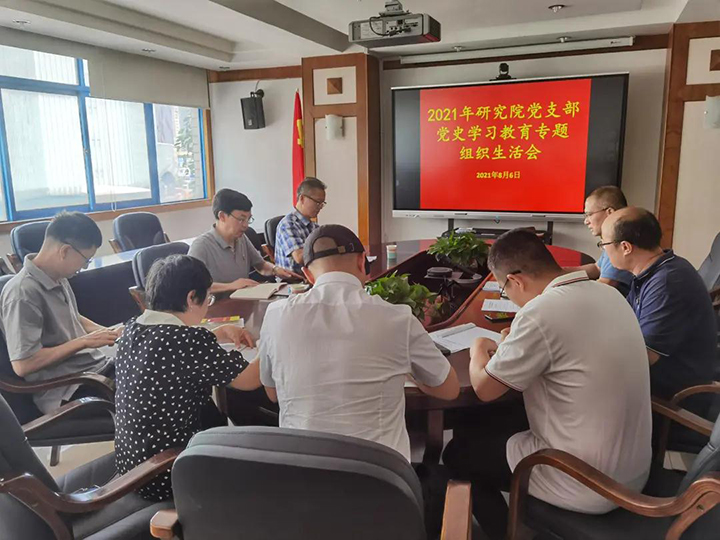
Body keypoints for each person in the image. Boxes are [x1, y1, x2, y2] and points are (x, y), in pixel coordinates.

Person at [442, 229, 652, 540]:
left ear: (516, 281)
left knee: (458, 455)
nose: (510, 297)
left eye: (504, 290)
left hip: (583, 480)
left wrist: (477, 349)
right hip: (633, 469)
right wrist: (514, 341)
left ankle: (505, 534)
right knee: (487, 423)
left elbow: (485, 389)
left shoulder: (541, 313)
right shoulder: (609, 295)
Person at [259, 224, 460, 461]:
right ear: (362, 261)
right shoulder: (397, 318)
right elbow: (449, 389)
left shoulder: (275, 315)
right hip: (380, 476)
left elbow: (272, 392)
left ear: (307, 274)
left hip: (301, 473)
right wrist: (407, 369)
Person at [114, 254, 260, 501]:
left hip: (132, 468)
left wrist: (217, 332)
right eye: (208, 299)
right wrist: (275, 339)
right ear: (192, 298)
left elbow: (170, 346)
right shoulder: (187, 342)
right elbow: (248, 380)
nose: (207, 306)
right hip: (170, 470)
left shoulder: (132, 328)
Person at [0, 212, 119, 414]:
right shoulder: (22, 293)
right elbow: (23, 364)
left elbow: (72, 317)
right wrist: (84, 342)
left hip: (93, 369)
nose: (84, 267)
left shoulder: (57, 277)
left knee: (152, 366)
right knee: (149, 388)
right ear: (65, 251)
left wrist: (109, 333)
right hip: (68, 388)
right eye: (86, 260)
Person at [600, 207, 718, 401]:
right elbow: (623, 323)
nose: (603, 250)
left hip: (674, 399)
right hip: (651, 383)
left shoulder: (667, 282)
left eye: (603, 243)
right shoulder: (654, 271)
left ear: (626, 247)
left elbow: (642, 357)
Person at [188, 189, 298, 293]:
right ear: (222, 216)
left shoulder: (241, 238)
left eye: (248, 219)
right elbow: (192, 286)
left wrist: (276, 270)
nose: (246, 225)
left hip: (243, 301)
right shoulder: (201, 246)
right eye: (241, 219)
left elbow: (261, 265)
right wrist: (230, 286)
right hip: (217, 305)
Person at [572, 186, 633, 294]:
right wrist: (561, 272)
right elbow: (597, 268)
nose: (586, 221)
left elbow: (604, 285)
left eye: (589, 215)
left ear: (610, 212)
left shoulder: (620, 241)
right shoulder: (614, 236)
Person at [274, 177, 326, 274]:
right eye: (317, 202)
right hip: (291, 281)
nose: (320, 207)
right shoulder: (288, 224)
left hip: (310, 277)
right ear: (302, 198)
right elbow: (299, 257)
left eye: (322, 203)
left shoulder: (314, 227)